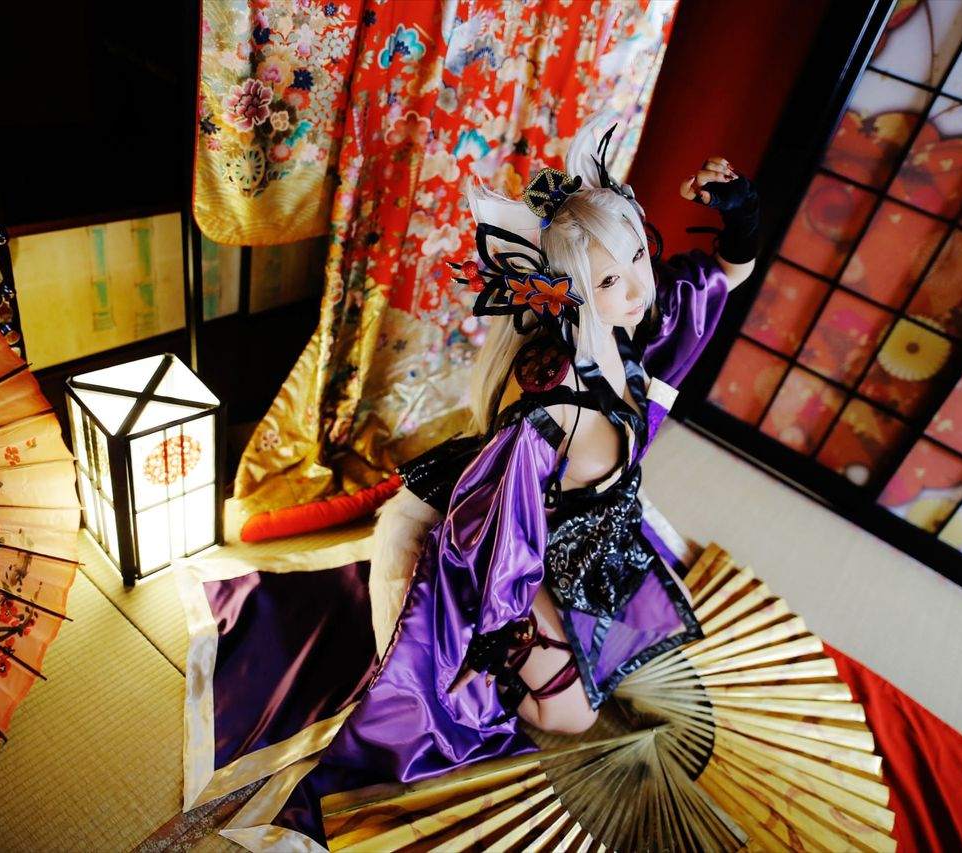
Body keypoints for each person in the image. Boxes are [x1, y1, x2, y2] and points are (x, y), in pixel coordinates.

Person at [175, 111, 760, 849]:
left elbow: (722, 276)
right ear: (569, 291)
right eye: (610, 277)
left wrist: (742, 215)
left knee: (641, 652)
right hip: (517, 550)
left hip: (592, 534)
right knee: (571, 713)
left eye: (640, 253)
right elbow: (486, 548)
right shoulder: (550, 409)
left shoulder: (635, 325)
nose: (639, 283)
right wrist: (494, 648)